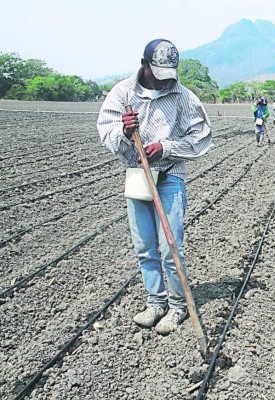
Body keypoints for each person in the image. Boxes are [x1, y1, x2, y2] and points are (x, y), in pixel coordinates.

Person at [97, 39, 212, 334]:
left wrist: (167, 147)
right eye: (157, 74)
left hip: (169, 177)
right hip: (137, 176)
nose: (163, 82)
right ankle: (156, 302)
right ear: (144, 65)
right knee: (145, 248)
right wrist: (124, 130)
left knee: (171, 247)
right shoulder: (122, 93)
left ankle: (176, 307)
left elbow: (201, 137)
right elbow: (105, 131)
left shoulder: (183, 96)